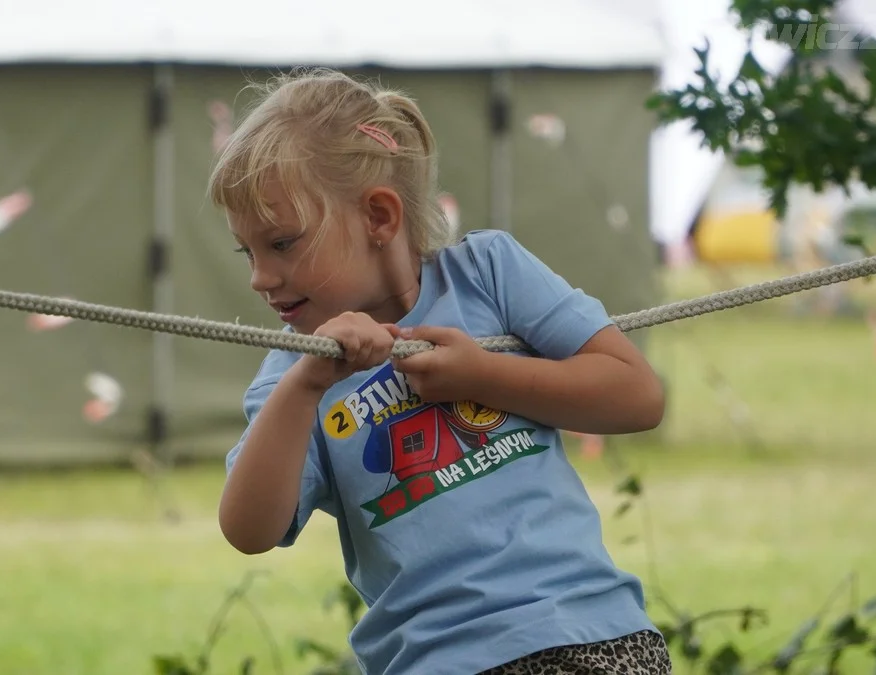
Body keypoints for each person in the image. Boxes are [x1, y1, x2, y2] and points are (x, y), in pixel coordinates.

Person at [210, 67, 672, 675]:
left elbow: (637, 396)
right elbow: (249, 529)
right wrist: (305, 385)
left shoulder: (488, 273)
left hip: (591, 635)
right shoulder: (293, 376)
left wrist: (483, 376)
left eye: (283, 243)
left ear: (379, 217)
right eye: (249, 252)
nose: (259, 278)